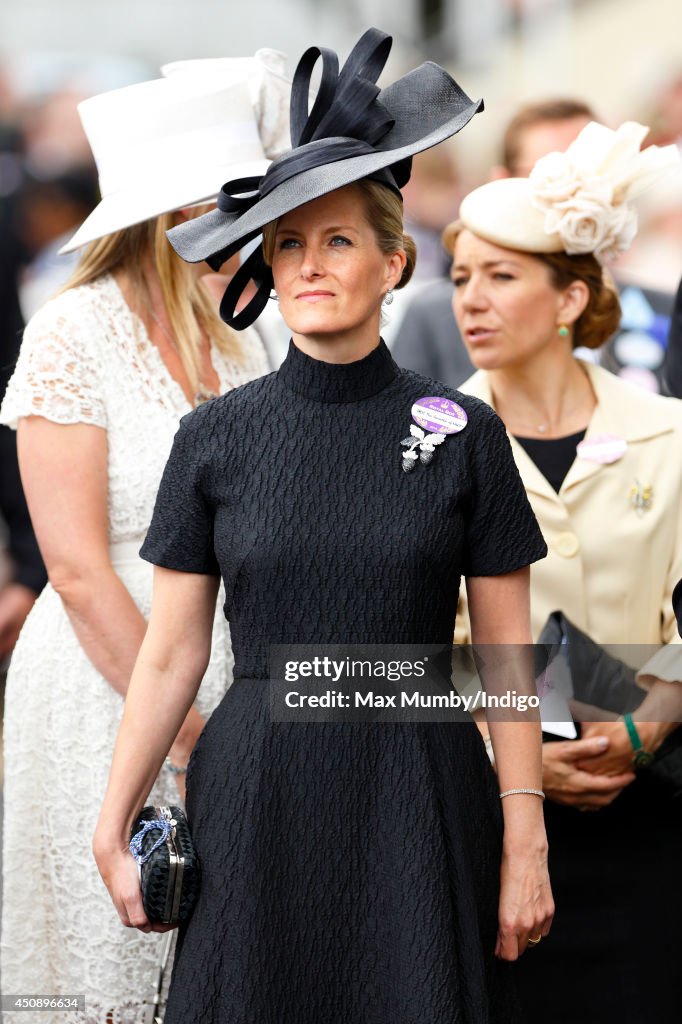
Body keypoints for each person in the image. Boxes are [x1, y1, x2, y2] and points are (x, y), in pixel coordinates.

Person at [94, 29, 553, 1024]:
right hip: (260, 792)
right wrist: (113, 810)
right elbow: (172, 652)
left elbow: (510, 657)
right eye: (288, 243)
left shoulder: (464, 431)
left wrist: (527, 837)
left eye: (338, 240)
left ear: (394, 262)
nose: (308, 265)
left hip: (419, 788)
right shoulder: (212, 438)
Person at [0, 58, 286, 1023]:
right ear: (175, 211)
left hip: (235, 661)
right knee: (119, 950)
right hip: (103, 676)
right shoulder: (71, 329)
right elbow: (76, 569)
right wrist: (184, 733)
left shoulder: (252, 335)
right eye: (235, 200)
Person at [446, 119, 682, 1022]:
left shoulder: (668, 433)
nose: (472, 300)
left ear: (570, 298)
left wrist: (651, 716)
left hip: (655, 803)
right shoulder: (422, 446)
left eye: (501, 277)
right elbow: (413, 642)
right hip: (497, 819)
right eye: (462, 277)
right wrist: (516, 759)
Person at [392, 99, 595, 387]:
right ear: (503, 180)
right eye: (549, 177)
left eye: (591, 178)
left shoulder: (661, 314)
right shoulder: (433, 319)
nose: (573, 196)